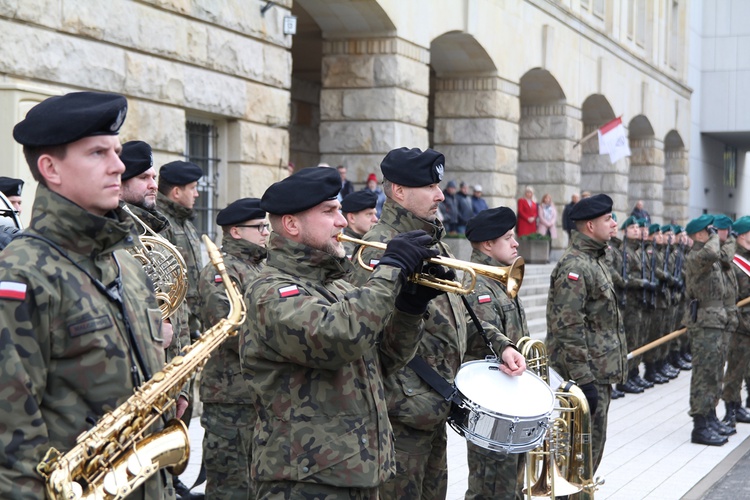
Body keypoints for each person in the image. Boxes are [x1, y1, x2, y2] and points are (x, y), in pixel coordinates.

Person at [0, 91, 170, 498]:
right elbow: (11, 446)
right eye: (98, 153)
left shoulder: (125, 263)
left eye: (117, 151)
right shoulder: (20, 274)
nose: (118, 166)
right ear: (50, 168)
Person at [241, 166, 441, 498]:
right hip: (305, 480)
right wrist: (390, 271)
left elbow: (383, 362)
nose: (342, 221)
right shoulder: (271, 290)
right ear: (291, 224)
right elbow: (339, 338)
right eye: (329, 211)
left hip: (357, 471)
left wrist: (409, 309)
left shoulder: (336, 285)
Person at [350, 147, 526, 498]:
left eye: (439, 184)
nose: (440, 194)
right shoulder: (375, 250)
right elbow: (365, 331)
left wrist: (500, 344)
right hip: (398, 415)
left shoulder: (435, 244)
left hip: (431, 407)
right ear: (399, 191)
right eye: (430, 186)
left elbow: (459, 313)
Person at [545, 193, 627, 472]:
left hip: (597, 371)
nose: (614, 223)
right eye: (608, 219)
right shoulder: (576, 266)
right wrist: (584, 380)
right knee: (578, 457)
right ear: (590, 226)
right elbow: (568, 326)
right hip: (584, 375)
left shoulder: (594, 259)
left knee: (590, 453)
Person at [198, 198, 269, 499]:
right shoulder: (221, 271)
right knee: (231, 487)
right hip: (230, 397)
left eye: (266, 226)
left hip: (256, 393)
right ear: (236, 232)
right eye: (259, 227)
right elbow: (229, 330)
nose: (266, 232)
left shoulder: (260, 267)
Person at [463, 207, 529, 499]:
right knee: (491, 486)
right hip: (491, 402)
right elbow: (480, 331)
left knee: (510, 484)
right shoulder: (477, 283)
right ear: (488, 244)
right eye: (508, 238)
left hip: (509, 398)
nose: (516, 243)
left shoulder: (502, 280)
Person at [683, 214, 733, 446]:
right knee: (703, 374)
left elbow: (725, 255)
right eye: (709, 230)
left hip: (715, 321)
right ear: (699, 234)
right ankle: (700, 426)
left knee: (714, 373)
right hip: (703, 323)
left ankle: (710, 417)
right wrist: (715, 237)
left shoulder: (710, 256)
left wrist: (724, 237)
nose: (714, 233)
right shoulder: (696, 256)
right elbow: (713, 252)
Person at [157, 160, 204, 340]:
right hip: (176, 327)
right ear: (176, 192)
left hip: (191, 324)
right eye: (192, 188)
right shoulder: (160, 223)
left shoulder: (185, 222)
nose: (197, 194)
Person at [721, 216, 750, 427]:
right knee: (735, 369)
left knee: (746, 367)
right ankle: (730, 409)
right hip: (740, 323)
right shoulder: (734, 262)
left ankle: (739, 405)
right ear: (741, 235)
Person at [340, 189, 378, 258]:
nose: (375, 219)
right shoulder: (344, 250)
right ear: (351, 218)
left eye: (375, 214)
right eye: (369, 214)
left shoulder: (370, 241)